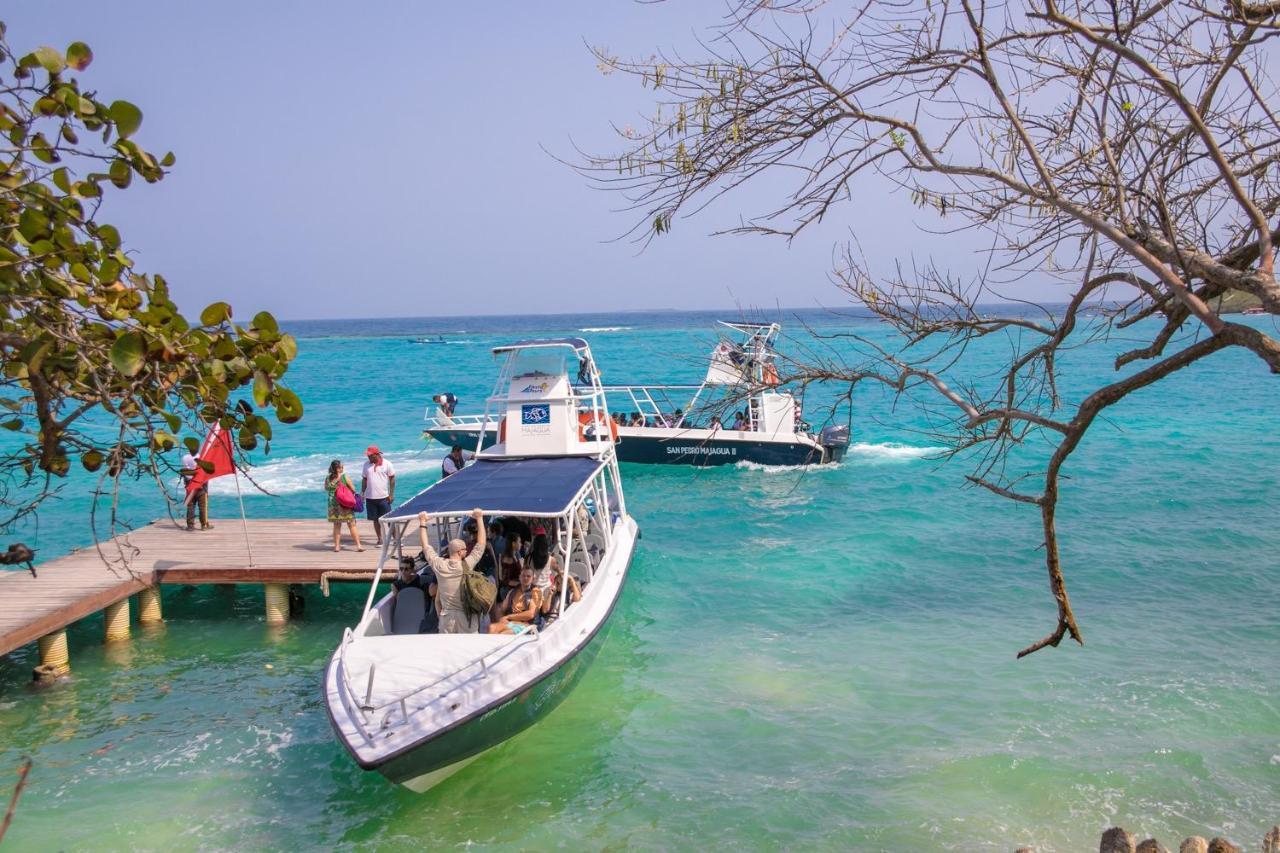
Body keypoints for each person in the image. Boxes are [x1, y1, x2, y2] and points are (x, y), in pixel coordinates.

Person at [418, 508, 486, 634]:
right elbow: (481, 545)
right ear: (460, 552)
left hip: (446, 618)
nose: (466, 551)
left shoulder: (439, 565)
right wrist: (480, 518)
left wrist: (422, 522)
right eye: (465, 550)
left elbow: (425, 546)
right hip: (466, 617)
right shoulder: (466, 565)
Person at [325, 460, 364, 553]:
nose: (342, 468)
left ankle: (337, 547)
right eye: (341, 467)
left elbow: (326, 488)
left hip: (333, 505)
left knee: (337, 525)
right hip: (344, 504)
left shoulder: (328, 478)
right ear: (337, 469)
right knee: (351, 524)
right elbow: (353, 489)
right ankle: (358, 545)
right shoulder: (344, 477)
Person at [361, 446, 396, 546]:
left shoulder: (387, 464)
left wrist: (391, 494)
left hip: (384, 497)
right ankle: (380, 539)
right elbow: (364, 479)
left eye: (370, 455)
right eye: (367, 455)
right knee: (375, 520)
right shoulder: (366, 465)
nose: (368, 457)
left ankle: (395, 539)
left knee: (389, 519)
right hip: (370, 498)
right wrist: (362, 493)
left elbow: (392, 478)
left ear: (377, 454)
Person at [489, 567, 542, 635]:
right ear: (519, 577)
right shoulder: (513, 592)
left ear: (533, 579)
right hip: (512, 623)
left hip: (527, 625)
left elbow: (531, 614)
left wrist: (508, 617)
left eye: (528, 576)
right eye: (523, 575)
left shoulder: (536, 592)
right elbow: (501, 609)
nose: (525, 578)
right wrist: (502, 619)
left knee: (504, 634)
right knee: (491, 628)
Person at [180, 451, 213, 531]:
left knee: (190, 506)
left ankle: (190, 526)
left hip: (189, 484)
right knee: (202, 506)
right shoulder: (201, 457)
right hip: (200, 484)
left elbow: (185, 470)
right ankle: (204, 525)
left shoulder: (184, 458)